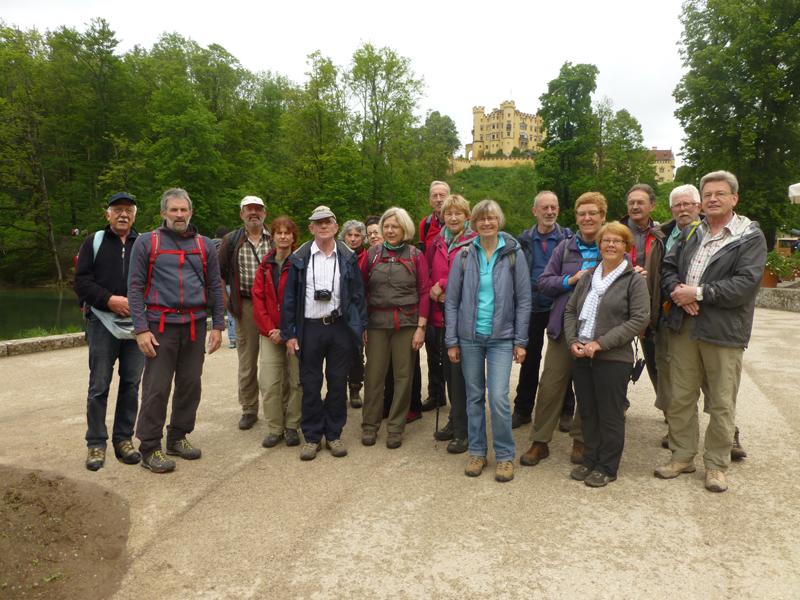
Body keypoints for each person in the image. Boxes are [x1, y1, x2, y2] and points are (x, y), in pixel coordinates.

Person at [655, 171, 766, 493]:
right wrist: (677, 290)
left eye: (721, 193)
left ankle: (716, 464)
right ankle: (682, 456)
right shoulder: (691, 233)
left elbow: (745, 284)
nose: (713, 199)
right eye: (709, 194)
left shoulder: (749, 236)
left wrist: (699, 293)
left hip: (723, 330)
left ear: (734, 198)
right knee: (680, 396)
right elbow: (667, 267)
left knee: (720, 401)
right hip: (683, 324)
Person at [128, 188, 224, 473]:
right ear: (163, 213)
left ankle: (178, 436)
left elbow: (216, 287)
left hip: (194, 325)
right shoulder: (147, 243)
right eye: (174, 210)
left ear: (190, 212)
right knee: (156, 388)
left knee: (190, 384)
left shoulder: (204, 245)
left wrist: (218, 325)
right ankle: (149, 447)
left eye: (184, 210)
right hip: (160, 326)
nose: (179, 215)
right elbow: (134, 287)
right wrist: (141, 329)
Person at [445, 199, 530, 482]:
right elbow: (452, 301)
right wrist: (451, 341)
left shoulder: (513, 253)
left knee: (498, 397)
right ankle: (478, 452)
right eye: (481, 219)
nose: (486, 223)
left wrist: (521, 340)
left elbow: (524, 300)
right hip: (469, 338)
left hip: (502, 339)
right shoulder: (464, 255)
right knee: (473, 398)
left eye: (491, 218)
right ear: (474, 223)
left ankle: (505, 456)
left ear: (498, 221)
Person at [520, 192, 606, 469]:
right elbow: (545, 282)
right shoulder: (565, 247)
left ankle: (580, 439)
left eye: (592, 213)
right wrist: (571, 279)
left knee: (589, 388)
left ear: (602, 216)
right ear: (576, 217)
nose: (587, 218)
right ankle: (540, 440)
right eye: (582, 213)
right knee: (550, 386)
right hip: (563, 327)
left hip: (597, 330)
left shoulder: (612, 244)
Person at [564, 222, 650, 487]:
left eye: (617, 241)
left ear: (627, 247)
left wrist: (602, 343)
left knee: (610, 414)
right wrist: (572, 341)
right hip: (582, 356)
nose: (610, 245)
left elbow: (640, 319)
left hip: (613, 358)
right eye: (606, 240)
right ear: (599, 245)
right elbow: (570, 311)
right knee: (588, 412)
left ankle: (607, 466)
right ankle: (590, 459)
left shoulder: (633, 280)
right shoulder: (588, 277)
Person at [281, 206, 367, 461]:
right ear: (311, 228)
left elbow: (358, 296)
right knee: (310, 384)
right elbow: (289, 299)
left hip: (339, 326)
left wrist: (359, 328)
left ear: (335, 226)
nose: (323, 226)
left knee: (338, 382)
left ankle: (334, 434)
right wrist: (290, 333)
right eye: (318, 223)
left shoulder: (347, 256)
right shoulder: (299, 257)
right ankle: (312, 436)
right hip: (309, 327)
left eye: (328, 222)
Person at [74, 192, 144, 471]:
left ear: (135, 215)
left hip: (137, 325)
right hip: (102, 322)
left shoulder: (144, 244)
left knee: (131, 385)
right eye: (117, 210)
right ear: (108, 215)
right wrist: (110, 300)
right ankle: (96, 444)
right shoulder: (94, 242)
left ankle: (124, 440)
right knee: (99, 386)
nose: (123, 215)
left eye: (128, 210)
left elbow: (153, 282)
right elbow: (81, 282)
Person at [361, 207, 431, 449]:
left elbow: (424, 292)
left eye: (395, 226)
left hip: (407, 324)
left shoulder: (415, 255)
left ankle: (395, 427)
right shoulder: (372, 254)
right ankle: (369, 425)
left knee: (403, 376)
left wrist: (421, 327)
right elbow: (361, 289)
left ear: (405, 229)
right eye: (386, 226)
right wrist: (362, 325)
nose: (389, 231)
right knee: (373, 375)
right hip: (377, 323)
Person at [513, 190, 575, 432]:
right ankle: (522, 409)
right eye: (544, 208)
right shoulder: (523, 240)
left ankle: (566, 409)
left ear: (558, 210)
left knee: (563, 361)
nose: (549, 212)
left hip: (561, 306)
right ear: (535, 211)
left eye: (553, 208)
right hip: (532, 306)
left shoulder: (569, 239)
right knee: (529, 359)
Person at [218, 196, 273, 431]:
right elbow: (218, 274)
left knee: (276, 360)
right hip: (246, 303)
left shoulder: (277, 237)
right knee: (248, 360)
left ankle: (280, 405)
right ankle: (249, 409)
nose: (254, 213)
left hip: (273, 305)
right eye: (249, 210)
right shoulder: (231, 240)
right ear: (241, 214)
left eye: (258, 210)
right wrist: (226, 301)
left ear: (264, 213)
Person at [428, 194, 477, 454]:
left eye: (459, 213)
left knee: (461, 375)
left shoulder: (475, 243)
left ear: (467, 216)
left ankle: (463, 429)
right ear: (443, 216)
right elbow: (428, 275)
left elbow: (476, 277)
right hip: (442, 315)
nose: (454, 217)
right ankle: (454, 419)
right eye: (449, 213)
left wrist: (445, 287)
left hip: (466, 316)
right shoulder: (436, 242)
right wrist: (434, 291)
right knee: (448, 372)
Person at [252, 217, 302, 448]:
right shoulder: (265, 265)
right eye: (279, 232)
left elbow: (303, 301)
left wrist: (287, 331)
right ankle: (275, 428)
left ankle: (292, 425)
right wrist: (271, 329)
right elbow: (258, 299)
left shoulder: (301, 264)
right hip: (270, 333)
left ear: (294, 237)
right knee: (270, 383)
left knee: (297, 382)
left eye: (287, 232)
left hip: (294, 333)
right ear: (272, 236)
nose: (283, 236)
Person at [620, 184, 660, 400]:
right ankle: (617, 407)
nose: (635, 206)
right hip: (619, 305)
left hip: (652, 306)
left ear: (652, 206)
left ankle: (669, 411)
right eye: (631, 202)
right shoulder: (614, 232)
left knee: (657, 362)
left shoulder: (662, 234)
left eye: (640, 202)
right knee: (615, 362)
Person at [419, 181, 450, 411]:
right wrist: (431, 289)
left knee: (454, 351)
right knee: (433, 350)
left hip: (456, 296)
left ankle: (457, 396)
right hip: (433, 296)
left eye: (443, 195)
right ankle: (435, 395)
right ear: (430, 200)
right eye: (434, 196)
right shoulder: (425, 224)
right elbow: (424, 262)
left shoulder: (465, 225)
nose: (438, 199)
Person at [339, 220, 369, 409]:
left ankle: (356, 388)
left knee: (357, 353)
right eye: (349, 235)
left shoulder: (369, 255)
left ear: (363, 238)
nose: (353, 239)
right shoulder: (337, 254)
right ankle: (339, 389)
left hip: (361, 308)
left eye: (357, 235)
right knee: (339, 353)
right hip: (341, 310)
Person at [214, 226, 236, 349]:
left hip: (216, 285)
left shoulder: (210, 246)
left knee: (216, 312)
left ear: (216, 236)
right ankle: (233, 339)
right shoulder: (231, 246)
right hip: (230, 284)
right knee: (231, 312)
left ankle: (214, 339)